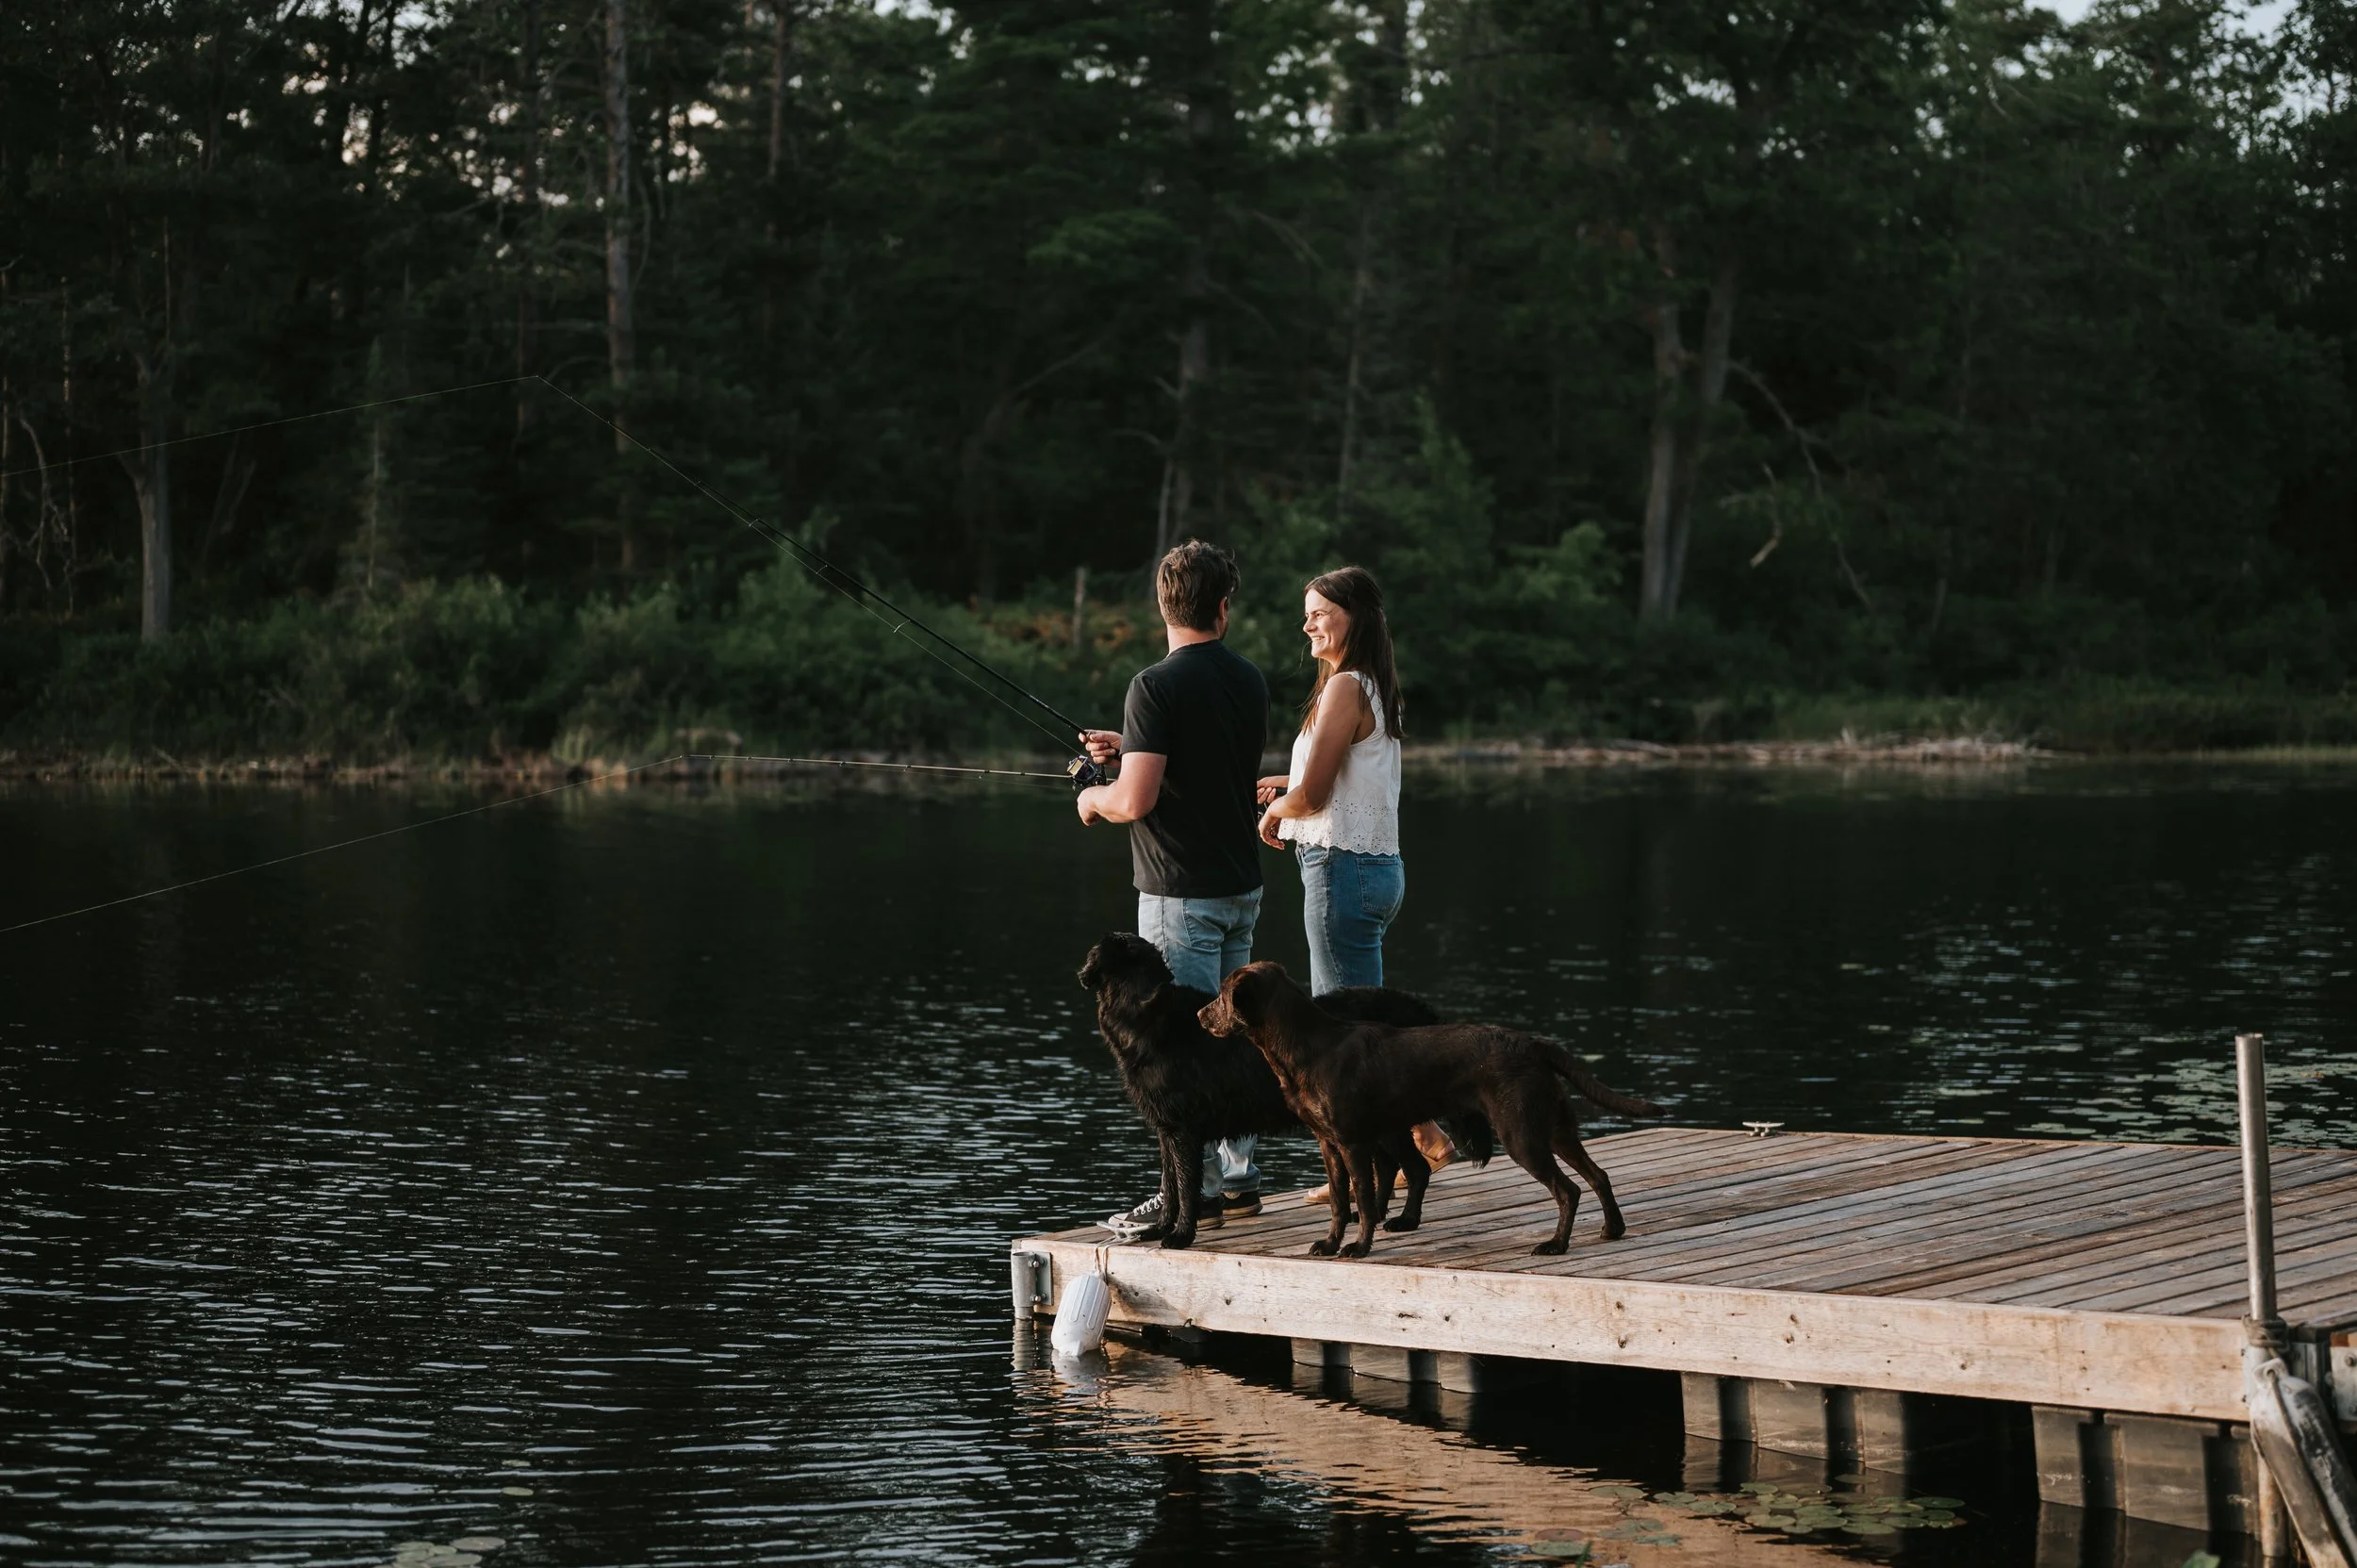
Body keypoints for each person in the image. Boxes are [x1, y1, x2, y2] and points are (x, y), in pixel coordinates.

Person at [1076, 539, 1271, 1237]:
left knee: (1180, 1053)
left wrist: (1092, 797)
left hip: (1179, 893)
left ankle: (1193, 1194)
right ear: (1222, 607)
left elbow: (1135, 799)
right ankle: (1238, 1179)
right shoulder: (1249, 679)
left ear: (1164, 606)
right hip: (1240, 885)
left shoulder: (1153, 685)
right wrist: (1131, 744)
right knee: (1239, 1036)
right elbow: (1204, 759)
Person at [1255, 566, 1449, 1191]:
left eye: (1319, 612)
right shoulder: (1373, 685)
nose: (1307, 624)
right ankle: (1424, 1137)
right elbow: (1339, 777)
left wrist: (1276, 811)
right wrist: (1284, 786)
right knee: (1367, 1028)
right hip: (1374, 870)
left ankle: (1370, 1168)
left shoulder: (1344, 687)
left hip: (1342, 872)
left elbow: (1314, 796)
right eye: (1307, 613)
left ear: (1354, 617)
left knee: (1343, 1040)